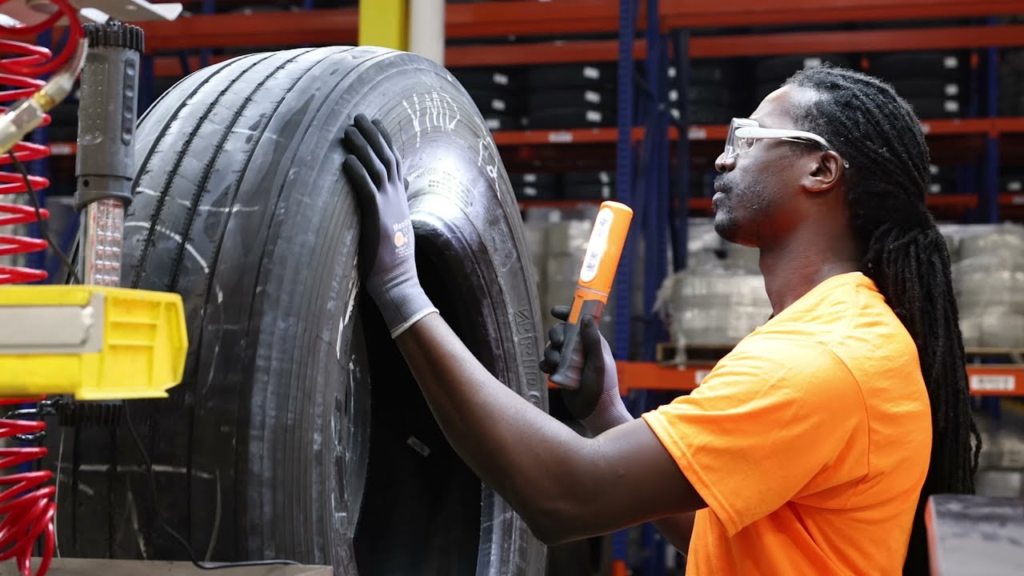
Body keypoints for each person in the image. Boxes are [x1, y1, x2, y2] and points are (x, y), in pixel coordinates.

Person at [339, 65, 980, 575]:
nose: (724, 160)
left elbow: (565, 498)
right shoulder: (835, 333)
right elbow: (720, 532)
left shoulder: (821, 360)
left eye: (747, 139)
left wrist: (401, 290)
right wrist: (608, 416)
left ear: (821, 170)